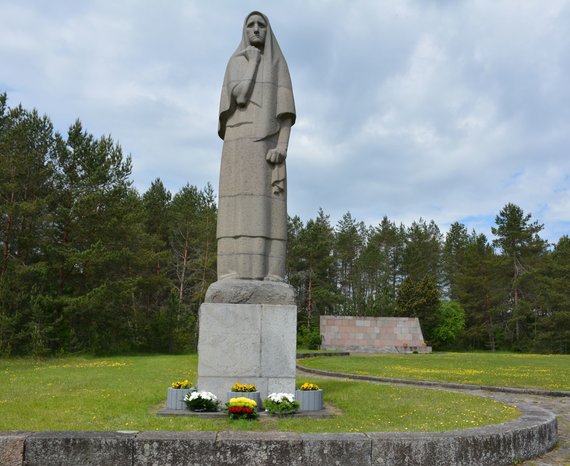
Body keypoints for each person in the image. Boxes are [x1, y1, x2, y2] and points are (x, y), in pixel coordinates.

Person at [216, 11, 296, 281]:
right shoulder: (236, 62)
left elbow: (286, 114)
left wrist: (282, 147)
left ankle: (270, 273)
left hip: (267, 145)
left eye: (261, 25)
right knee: (234, 208)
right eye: (250, 25)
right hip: (236, 143)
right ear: (244, 30)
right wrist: (251, 63)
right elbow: (238, 97)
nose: (256, 29)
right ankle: (231, 272)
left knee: (267, 210)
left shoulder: (278, 65)